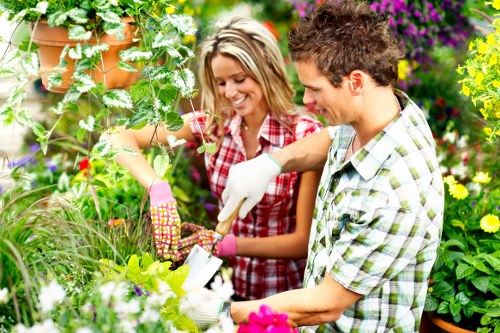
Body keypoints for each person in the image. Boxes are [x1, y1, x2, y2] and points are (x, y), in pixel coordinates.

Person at [189, 1, 444, 332]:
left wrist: (221, 311)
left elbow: (326, 304)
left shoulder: (393, 191)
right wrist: (271, 162)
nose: (306, 101)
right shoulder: (381, 113)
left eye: (314, 89)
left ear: (355, 81)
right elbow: (331, 138)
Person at [102, 16, 323, 301]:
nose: (230, 93)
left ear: (266, 70)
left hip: (288, 298)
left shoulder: (304, 135)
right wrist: (159, 190)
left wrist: (223, 245)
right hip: (232, 292)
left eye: (239, 79)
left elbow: (303, 242)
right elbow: (115, 136)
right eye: (221, 82)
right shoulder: (212, 127)